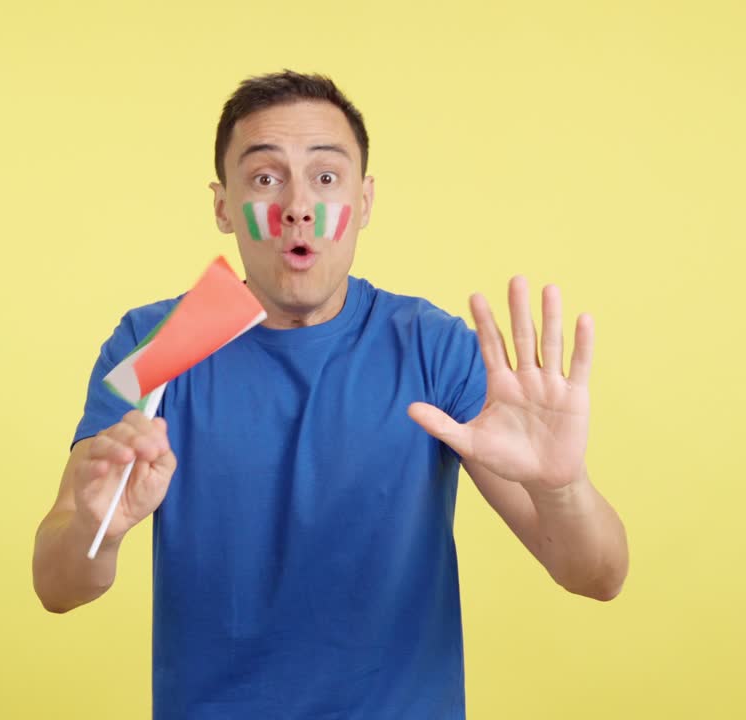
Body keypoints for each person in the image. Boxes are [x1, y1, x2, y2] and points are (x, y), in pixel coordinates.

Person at [32, 70, 628, 718]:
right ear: (223, 205)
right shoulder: (152, 344)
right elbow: (56, 583)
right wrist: (97, 531)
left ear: (364, 201)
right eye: (264, 177)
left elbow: (596, 576)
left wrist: (561, 488)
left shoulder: (433, 348)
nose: (296, 204)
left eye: (325, 177)